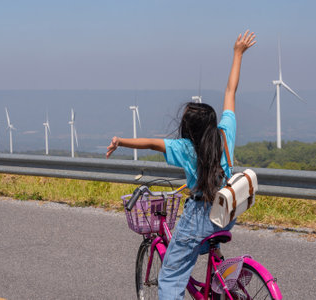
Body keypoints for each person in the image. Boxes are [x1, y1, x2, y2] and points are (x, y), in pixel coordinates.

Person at [106, 30, 256, 299]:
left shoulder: (184, 148)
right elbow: (230, 91)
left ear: (188, 129)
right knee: (203, 243)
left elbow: (151, 143)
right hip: (226, 212)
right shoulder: (225, 133)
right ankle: (220, 279)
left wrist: (121, 141)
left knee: (171, 276)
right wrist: (237, 53)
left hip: (200, 217)